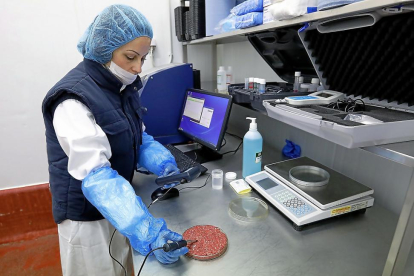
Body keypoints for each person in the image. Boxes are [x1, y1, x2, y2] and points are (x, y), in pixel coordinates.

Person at [42, 5, 188, 276]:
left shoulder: (121, 87)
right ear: (103, 48)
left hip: (120, 207)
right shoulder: (72, 98)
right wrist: (145, 228)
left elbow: (138, 136)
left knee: (121, 267)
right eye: (130, 57)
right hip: (87, 216)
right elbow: (97, 178)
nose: (137, 67)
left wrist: (163, 162)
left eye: (143, 59)